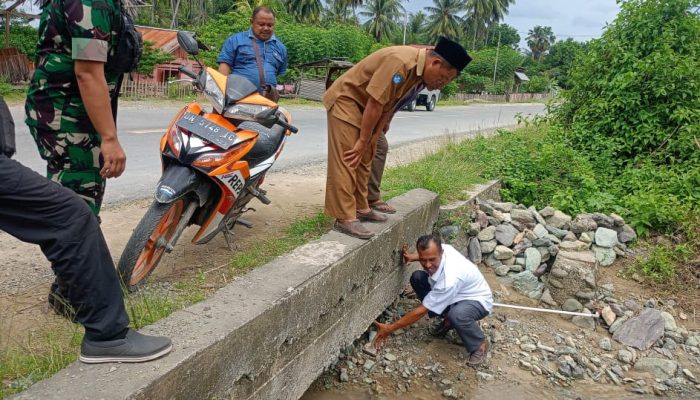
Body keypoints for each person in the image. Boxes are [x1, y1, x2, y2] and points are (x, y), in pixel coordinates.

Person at [1, 95, 172, 364]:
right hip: (72, 125)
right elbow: (87, 71)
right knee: (70, 215)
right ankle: (107, 336)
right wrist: (109, 137)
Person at [323, 37, 471, 239]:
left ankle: (361, 207)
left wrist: (374, 136)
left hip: (368, 107)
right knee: (349, 156)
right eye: (443, 79)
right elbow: (375, 102)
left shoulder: (418, 73)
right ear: (435, 63)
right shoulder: (400, 62)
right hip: (347, 100)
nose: (440, 86)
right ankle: (344, 217)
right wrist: (363, 140)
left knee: (368, 154)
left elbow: (389, 103)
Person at [25, 0, 130, 218]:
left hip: (66, 112)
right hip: (70, 118)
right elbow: (88, 72)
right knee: (76, 214)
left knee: (68, 206)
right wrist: (109, 138)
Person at [372, 234, 493, 367]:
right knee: (417, 277)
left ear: (441, 252)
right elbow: (427, 256)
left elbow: (421, 311)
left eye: (432, 260)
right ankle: (448, 319)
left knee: (458, 315)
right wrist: (413, 257)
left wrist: (390, 328)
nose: (427, 265)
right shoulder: (443, 249)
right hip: (456, 295)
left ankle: (479, 344)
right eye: (423, 260)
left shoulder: (450, 278)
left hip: (478, 301)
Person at [217, 6, 287, 99]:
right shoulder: (235, 40)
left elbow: (278, 73)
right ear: (252, 22)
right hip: (238, 98)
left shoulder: (280, 47)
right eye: (261, 24)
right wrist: (220, 95)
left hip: (267, 101)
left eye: (270, 25)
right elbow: (223, 70)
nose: (266, 28)